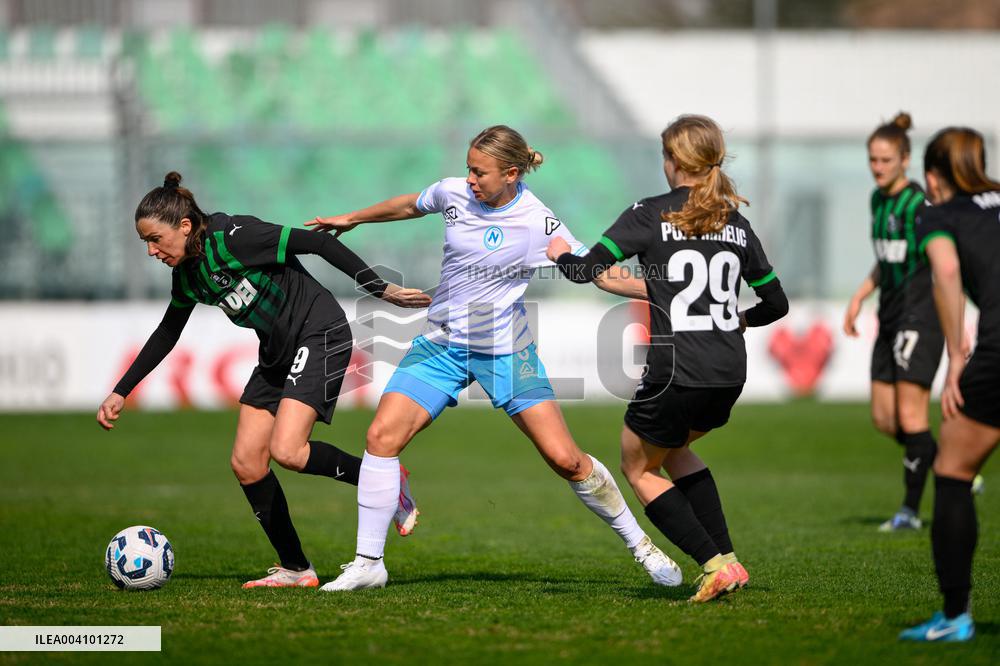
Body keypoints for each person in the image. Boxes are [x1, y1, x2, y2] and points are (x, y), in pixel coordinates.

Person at [306, 125, 682, 592]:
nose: (469, 179)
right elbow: (409, 204)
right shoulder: (452, 193)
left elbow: (598, 274)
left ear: (510, 173)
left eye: (479, 172)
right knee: (381, 437)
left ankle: (641, 546)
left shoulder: (537, 221)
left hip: (506, 351)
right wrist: (352, 217)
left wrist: (672, 288)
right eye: (467, 168)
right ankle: (369, 563)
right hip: (442, 345)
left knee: (565, 459)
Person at [96, 172, 430, 588]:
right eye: (144, 242)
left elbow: (320, 243)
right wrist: (121, 391)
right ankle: (296, 568)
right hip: (275, 353)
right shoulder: (187, 275)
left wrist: (380, 289)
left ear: (183, 226)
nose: (150, 250)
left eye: (154, 239)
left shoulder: (235, 237)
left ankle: (385, 479)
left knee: (288, 450)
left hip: (319, 332)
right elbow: (168, 331)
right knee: (247, 463)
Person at [547, 114, 788, 602]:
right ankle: (731, 560)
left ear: (673, 161)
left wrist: (558, 255)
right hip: (728, 372)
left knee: (637, 467)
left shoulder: (650, 212)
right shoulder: (735, 223)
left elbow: (583, 270)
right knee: (674, 449)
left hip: (676, 372)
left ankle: (713, 563)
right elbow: (776, 304)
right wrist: (739, 320)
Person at [900, 127, 1000, 642]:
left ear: (934, 177)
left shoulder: (936, 212)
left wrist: (957, 358)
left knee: (954, 471)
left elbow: (946, 272)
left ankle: (955, 616)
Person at [843, 112, 943, 532]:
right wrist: (860, 296)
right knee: (885, 420)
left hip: (919, 318)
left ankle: (908, 512)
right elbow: (887, 258)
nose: (877, 167)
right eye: (872, 159)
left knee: (912, 417)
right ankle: (949, 464)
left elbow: (942, 262)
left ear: (905, 159)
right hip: (888, 318)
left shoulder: (920, 206)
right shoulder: (878, 200)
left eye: (885, 160)